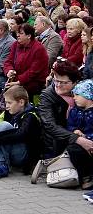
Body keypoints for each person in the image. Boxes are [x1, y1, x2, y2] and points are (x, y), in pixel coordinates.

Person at [34, 61, 93, 190]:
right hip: (58, 141)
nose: (58, 85)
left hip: (85, 135)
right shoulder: (47, 96)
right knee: (76, 149)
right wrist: (78, 139)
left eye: (64, 82)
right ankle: (85, 177)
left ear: (75, 82)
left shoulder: (86, 92)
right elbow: (50, 126)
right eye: (56, 80)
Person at [0, 86, 42, 180]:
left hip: (22, 155)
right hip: (7, 151)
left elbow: (20, 134)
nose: (6, 106)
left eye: (9, 103)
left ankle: (1, 164)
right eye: (6, 102)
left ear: (21, 102)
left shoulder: (31, 116)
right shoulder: (7, 112)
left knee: (4, 126)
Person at [66, 79, 93, 194]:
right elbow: (70, 125)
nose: (74, 98)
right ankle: (85, 176)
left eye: (77, 95)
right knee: (73, 149)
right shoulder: (74, 111)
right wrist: (75, 130)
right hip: (80, 143)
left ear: (88, 95)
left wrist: (88, 137)